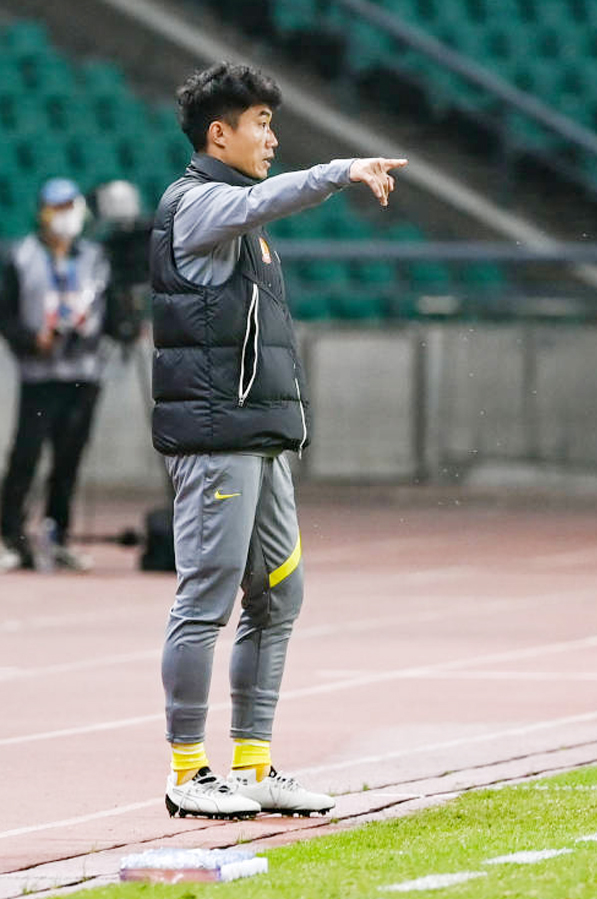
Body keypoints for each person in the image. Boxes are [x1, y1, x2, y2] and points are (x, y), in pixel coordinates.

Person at [151, 61, 407, 819]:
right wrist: (340, 171)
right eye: (260, 123)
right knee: (205, 599)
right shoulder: (199, 204)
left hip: (259, 437)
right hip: (217, 439)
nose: (271, 138)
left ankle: (253, 765)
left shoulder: (241, 220)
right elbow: (268, 196)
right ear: (218, 134)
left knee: (278, 596)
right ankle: (187, 771)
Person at [0, 178, 114, 572]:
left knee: (69, 458)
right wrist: (32, 342)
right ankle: (10, 535)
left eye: (70, 207)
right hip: (40, 374)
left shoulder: (96, 258)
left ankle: (57, 533)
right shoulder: (21, 256)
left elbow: (111, 310)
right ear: (43, 212)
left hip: (84, 373)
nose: (66, 217)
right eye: (58, 208)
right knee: (26, 456)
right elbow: (6, 315)